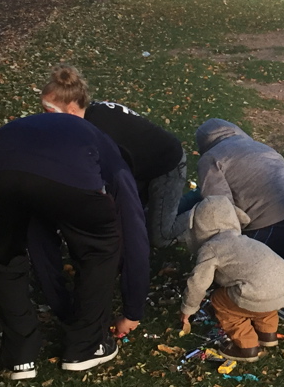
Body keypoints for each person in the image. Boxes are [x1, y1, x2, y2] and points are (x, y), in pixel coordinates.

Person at [0, 112, 146, 380]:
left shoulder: (69, 130)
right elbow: (134, 236)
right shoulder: (115, 160)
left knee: (5, 257)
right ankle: (86, 346)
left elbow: (40, 241)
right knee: (99, 249)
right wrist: (133, 309)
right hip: (64, 172)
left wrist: (61, 304)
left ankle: (20, 356)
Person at [39, 64, 187, 249]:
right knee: (133, 223)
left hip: (167, 165)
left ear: (70, 110)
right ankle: (168, 210)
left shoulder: (97, 133)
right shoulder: (89, 116)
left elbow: (113, 181)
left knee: (161, 237)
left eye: (49, 112)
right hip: (141, 166)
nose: (42, 117)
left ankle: (208, 213)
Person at [179, 197, 284, 362]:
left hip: (259, 292)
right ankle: (268, 333)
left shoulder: (212, 247)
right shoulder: (243, 241)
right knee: (265, 294)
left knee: (220, 301)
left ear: (200, 226)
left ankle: (246, 347)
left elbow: (198, 282)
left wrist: (188, 308)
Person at [192, 119, 284, 258]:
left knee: (234, 262)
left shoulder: (211, 158)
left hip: (275, 228)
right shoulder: (258, 145)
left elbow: (220, 207)